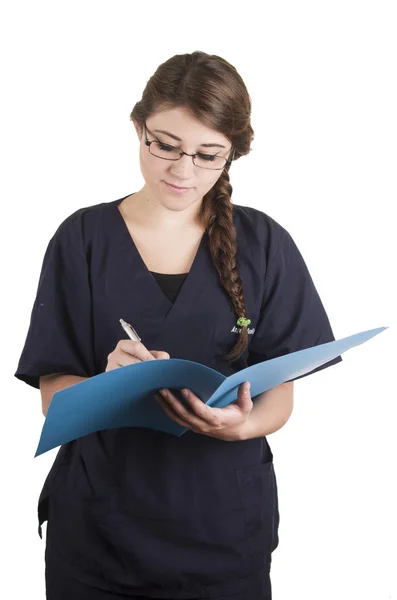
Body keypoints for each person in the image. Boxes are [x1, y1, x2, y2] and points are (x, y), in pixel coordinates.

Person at [15, 50, 342, 600]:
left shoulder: (263, 245)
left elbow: (280, 394)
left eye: (207, 154)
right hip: (100, 533)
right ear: (137, 127)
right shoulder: (82, 239)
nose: (182, 170)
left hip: (223, 531)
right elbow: (55, 397)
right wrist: (106, 385)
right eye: (164, 145)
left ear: (233, 153)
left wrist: (241, 426)